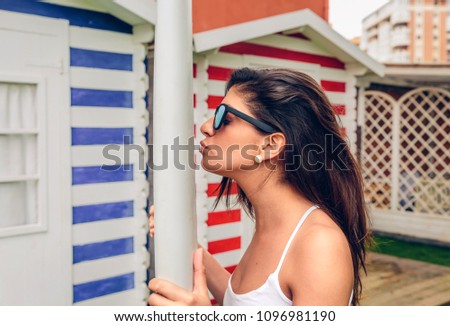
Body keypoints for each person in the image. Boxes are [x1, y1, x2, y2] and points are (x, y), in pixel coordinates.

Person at [147, 67, 371, 306]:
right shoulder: (273, 225)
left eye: (225, 117)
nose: (206, 126)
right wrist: (183, 240)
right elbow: (246, 303)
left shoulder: (319, 245)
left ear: (269, 146)